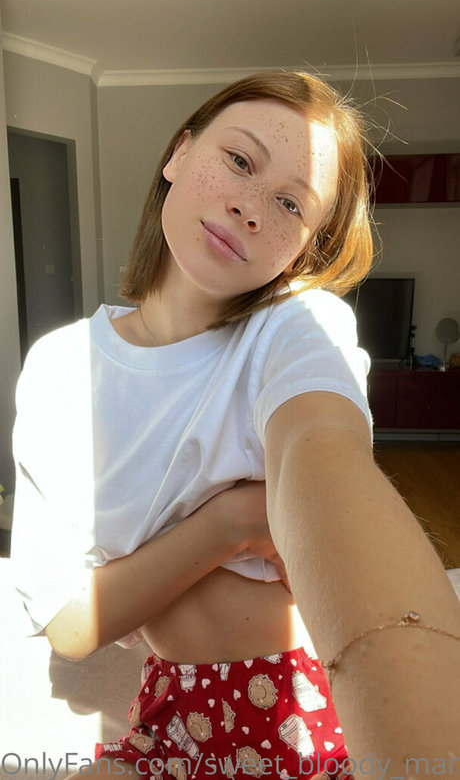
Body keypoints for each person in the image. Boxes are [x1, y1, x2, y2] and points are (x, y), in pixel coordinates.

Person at [11, 71, 460, 780]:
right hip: (171, 718)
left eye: (289, 202)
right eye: (241, 160)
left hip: (321, 713)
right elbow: (68, 621)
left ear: (301, 249)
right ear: (179, 154)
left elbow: (325, 453)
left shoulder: (297, 328)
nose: (250, 207)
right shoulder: (61, 367)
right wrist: (234, 521)